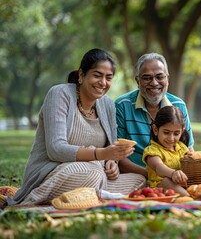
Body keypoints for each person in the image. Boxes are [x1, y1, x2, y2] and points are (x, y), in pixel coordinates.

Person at [7, 48, 146, 205]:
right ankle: (37, 198)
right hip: (56, 173)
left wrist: (112, 163)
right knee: (93, 174)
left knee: (138, 181)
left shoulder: (107, 104)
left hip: (97, 173)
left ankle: (92, 196)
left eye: (109, 78)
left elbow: (110, 150)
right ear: (81, 75)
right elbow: (56, 149)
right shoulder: (59, 94)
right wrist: (102, 155)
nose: (103, 82)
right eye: (97, 75)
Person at [115, 52, 194, 178]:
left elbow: (188, 150)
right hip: (136, 176)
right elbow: (118, 156)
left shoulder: (179, 105)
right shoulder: (122, 105)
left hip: (176, 177)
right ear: (137, 80)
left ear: (167, 79)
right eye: (147, 78)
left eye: (159, 77)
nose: (154, 83)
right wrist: (154, 176)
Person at [142, 106, 190, 196]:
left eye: (176, 133)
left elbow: (192, 161)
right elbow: (158, 167)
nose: (171, 138)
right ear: (155, 130)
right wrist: (173, 173)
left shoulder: (182, 147)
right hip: (161, 188)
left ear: (182, 131)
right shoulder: (152, 151)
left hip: (183, 183)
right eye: (166, 132)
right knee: (166, 181)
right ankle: (189, 198)